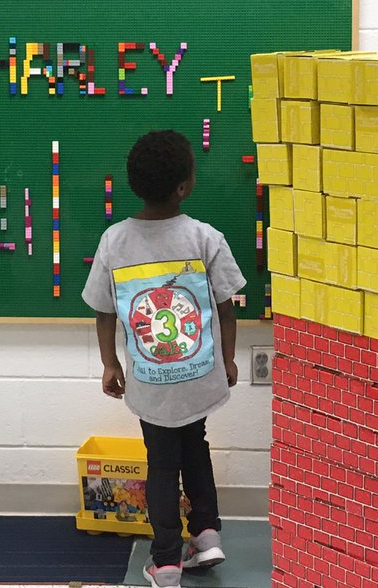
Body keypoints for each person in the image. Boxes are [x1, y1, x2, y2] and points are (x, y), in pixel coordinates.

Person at [83, 130, 246, 588]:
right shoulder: (204, 236)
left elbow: (103, 311)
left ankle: (167, 561)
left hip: (152, 382)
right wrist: (229, 360)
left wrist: (110, 363)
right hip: (199, 375)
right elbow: (228, 306)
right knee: (196, 446)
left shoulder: (114, 241)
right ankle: (208, 534)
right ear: (183, 187)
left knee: (162, 462)